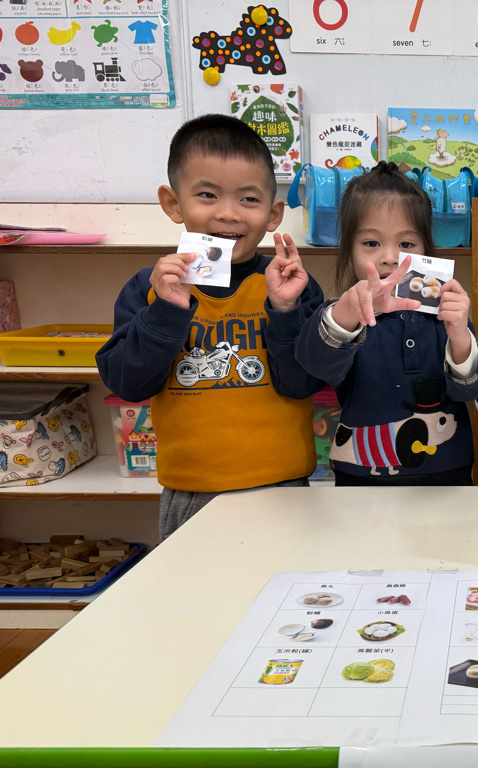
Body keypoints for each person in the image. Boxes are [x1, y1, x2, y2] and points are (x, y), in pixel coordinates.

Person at [97, 114, 326, 539]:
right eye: (207, 195)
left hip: (285, 488)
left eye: (249, 199)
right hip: (192, 491)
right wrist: (166, 311)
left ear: (274, 213)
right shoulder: (149, 287)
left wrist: (284, 310)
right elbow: (128, 383)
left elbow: (303, 383)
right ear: (173, 204)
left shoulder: (291, 285)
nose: (227, 213)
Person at [294, 162, 478, 485]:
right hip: (362, 476)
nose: (390, 257)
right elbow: (314, 365)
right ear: (349, 251)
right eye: (371, 243)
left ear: (426, 249)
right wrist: (346, 314)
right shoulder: (342, 316)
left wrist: (460, 337)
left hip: (446, 474)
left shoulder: (445, 316)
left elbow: (470, 390)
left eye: (406, 244)